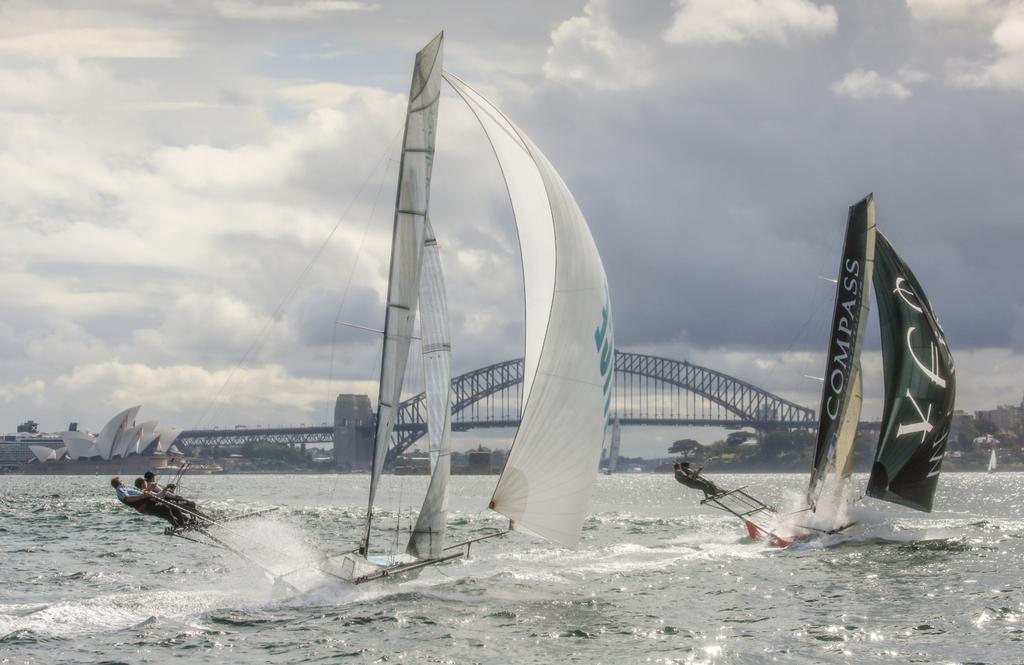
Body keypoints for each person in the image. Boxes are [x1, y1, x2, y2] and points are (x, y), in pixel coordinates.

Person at [110, 476, 186, 528]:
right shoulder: (120, 489)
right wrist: (142, 496)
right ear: (119, 482)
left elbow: (147, 493)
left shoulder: (128, 488)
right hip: (145, 505)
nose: (123, 481)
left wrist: (151, 489)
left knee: (174, 507)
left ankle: (182, 524)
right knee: (165, 509)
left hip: (149, 501)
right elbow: (126, 498)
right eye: (121, 480)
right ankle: (177, 526)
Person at [143, 471, 207, 521]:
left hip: (167, 501)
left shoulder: (148, 486)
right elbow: (166, 494)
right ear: (151, 477)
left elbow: (163, 493)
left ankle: (195, 520)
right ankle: (202, 518)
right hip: (172, 501)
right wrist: (176, 496)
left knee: (189, 507)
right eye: (154, 477)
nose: (154, 478)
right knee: (192, 504)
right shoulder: (153, 485)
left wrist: (171, 490)